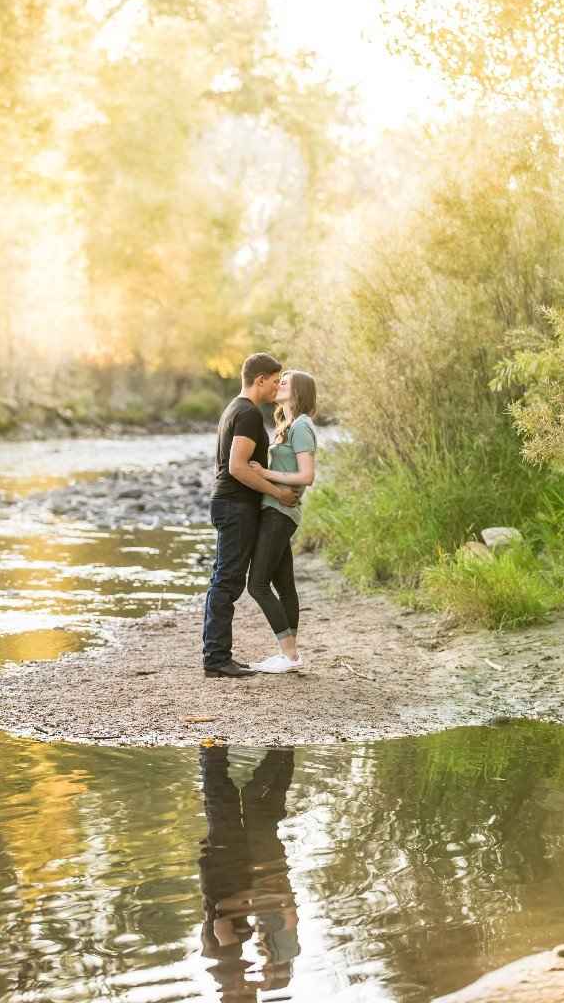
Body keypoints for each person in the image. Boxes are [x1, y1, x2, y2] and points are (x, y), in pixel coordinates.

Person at [202, 353, 300, 678]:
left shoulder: (237, 409)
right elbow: (237, 467)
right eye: (274, 381)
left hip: (232, 505)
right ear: (260, 380)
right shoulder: (247, 413)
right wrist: (278, 492)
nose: (276, 387)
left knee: (225, 580)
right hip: (235, 506)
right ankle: (216, 659)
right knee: (227, 582)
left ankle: (218, 656)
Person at [198, 745, 299, 1000]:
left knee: (221, 799)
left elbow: (222, 908)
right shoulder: (237, 956)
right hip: (234, 866)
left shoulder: (224, 955)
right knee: (231, 800)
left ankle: (212, 743)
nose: (250, 988)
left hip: (222, 868)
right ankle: (279, 749)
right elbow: (285, 915)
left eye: (245, 994)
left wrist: (254, 898)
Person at [246, 370, 318, 674]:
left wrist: (265, 474)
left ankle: (290, 655)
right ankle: (289, 655)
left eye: (284, 382)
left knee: (258, 584)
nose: (279, 385)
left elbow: (307, 476)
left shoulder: (301, 426)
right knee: (284, 584)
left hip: (281, 513)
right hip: (276, 510)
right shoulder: (287, 426)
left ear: (299, 391)